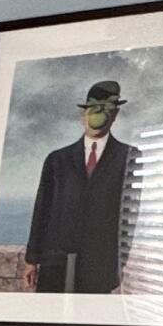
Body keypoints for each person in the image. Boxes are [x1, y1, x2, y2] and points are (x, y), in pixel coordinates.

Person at [23, 79, 140, 295]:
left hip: (99, 266)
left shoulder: (128, 157)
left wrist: (119, 263)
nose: (96, 117)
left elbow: (129, 217)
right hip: (54, 263)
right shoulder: (57, 159)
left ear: (115, 115)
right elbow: (42, 211)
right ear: (82, 115)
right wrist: (32, 259)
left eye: (105, 110)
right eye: (92, 110)